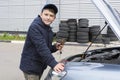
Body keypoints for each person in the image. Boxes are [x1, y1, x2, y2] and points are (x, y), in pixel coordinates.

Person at [19, 4, 64, 80]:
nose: (48, 18)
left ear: (54, 18)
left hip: (39, 66)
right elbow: (42, 48)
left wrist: (55, 47)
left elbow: (47, 47)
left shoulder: (47, 29)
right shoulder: (35, 27)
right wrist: (54, 64)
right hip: (31, 67)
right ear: (41, 14)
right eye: (46, 14)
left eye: (51, 15)